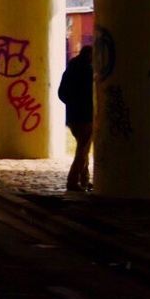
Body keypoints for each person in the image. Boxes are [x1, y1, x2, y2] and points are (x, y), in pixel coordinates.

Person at [58, 44, 94, 192]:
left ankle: (85, 180)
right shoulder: (88, 72)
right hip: (86, 115)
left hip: (73, 116)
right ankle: (72, 181)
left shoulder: (71, 70)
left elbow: (62, 93)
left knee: (83, 147)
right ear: (90, 56)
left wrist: (72, 104)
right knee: (83, 150)